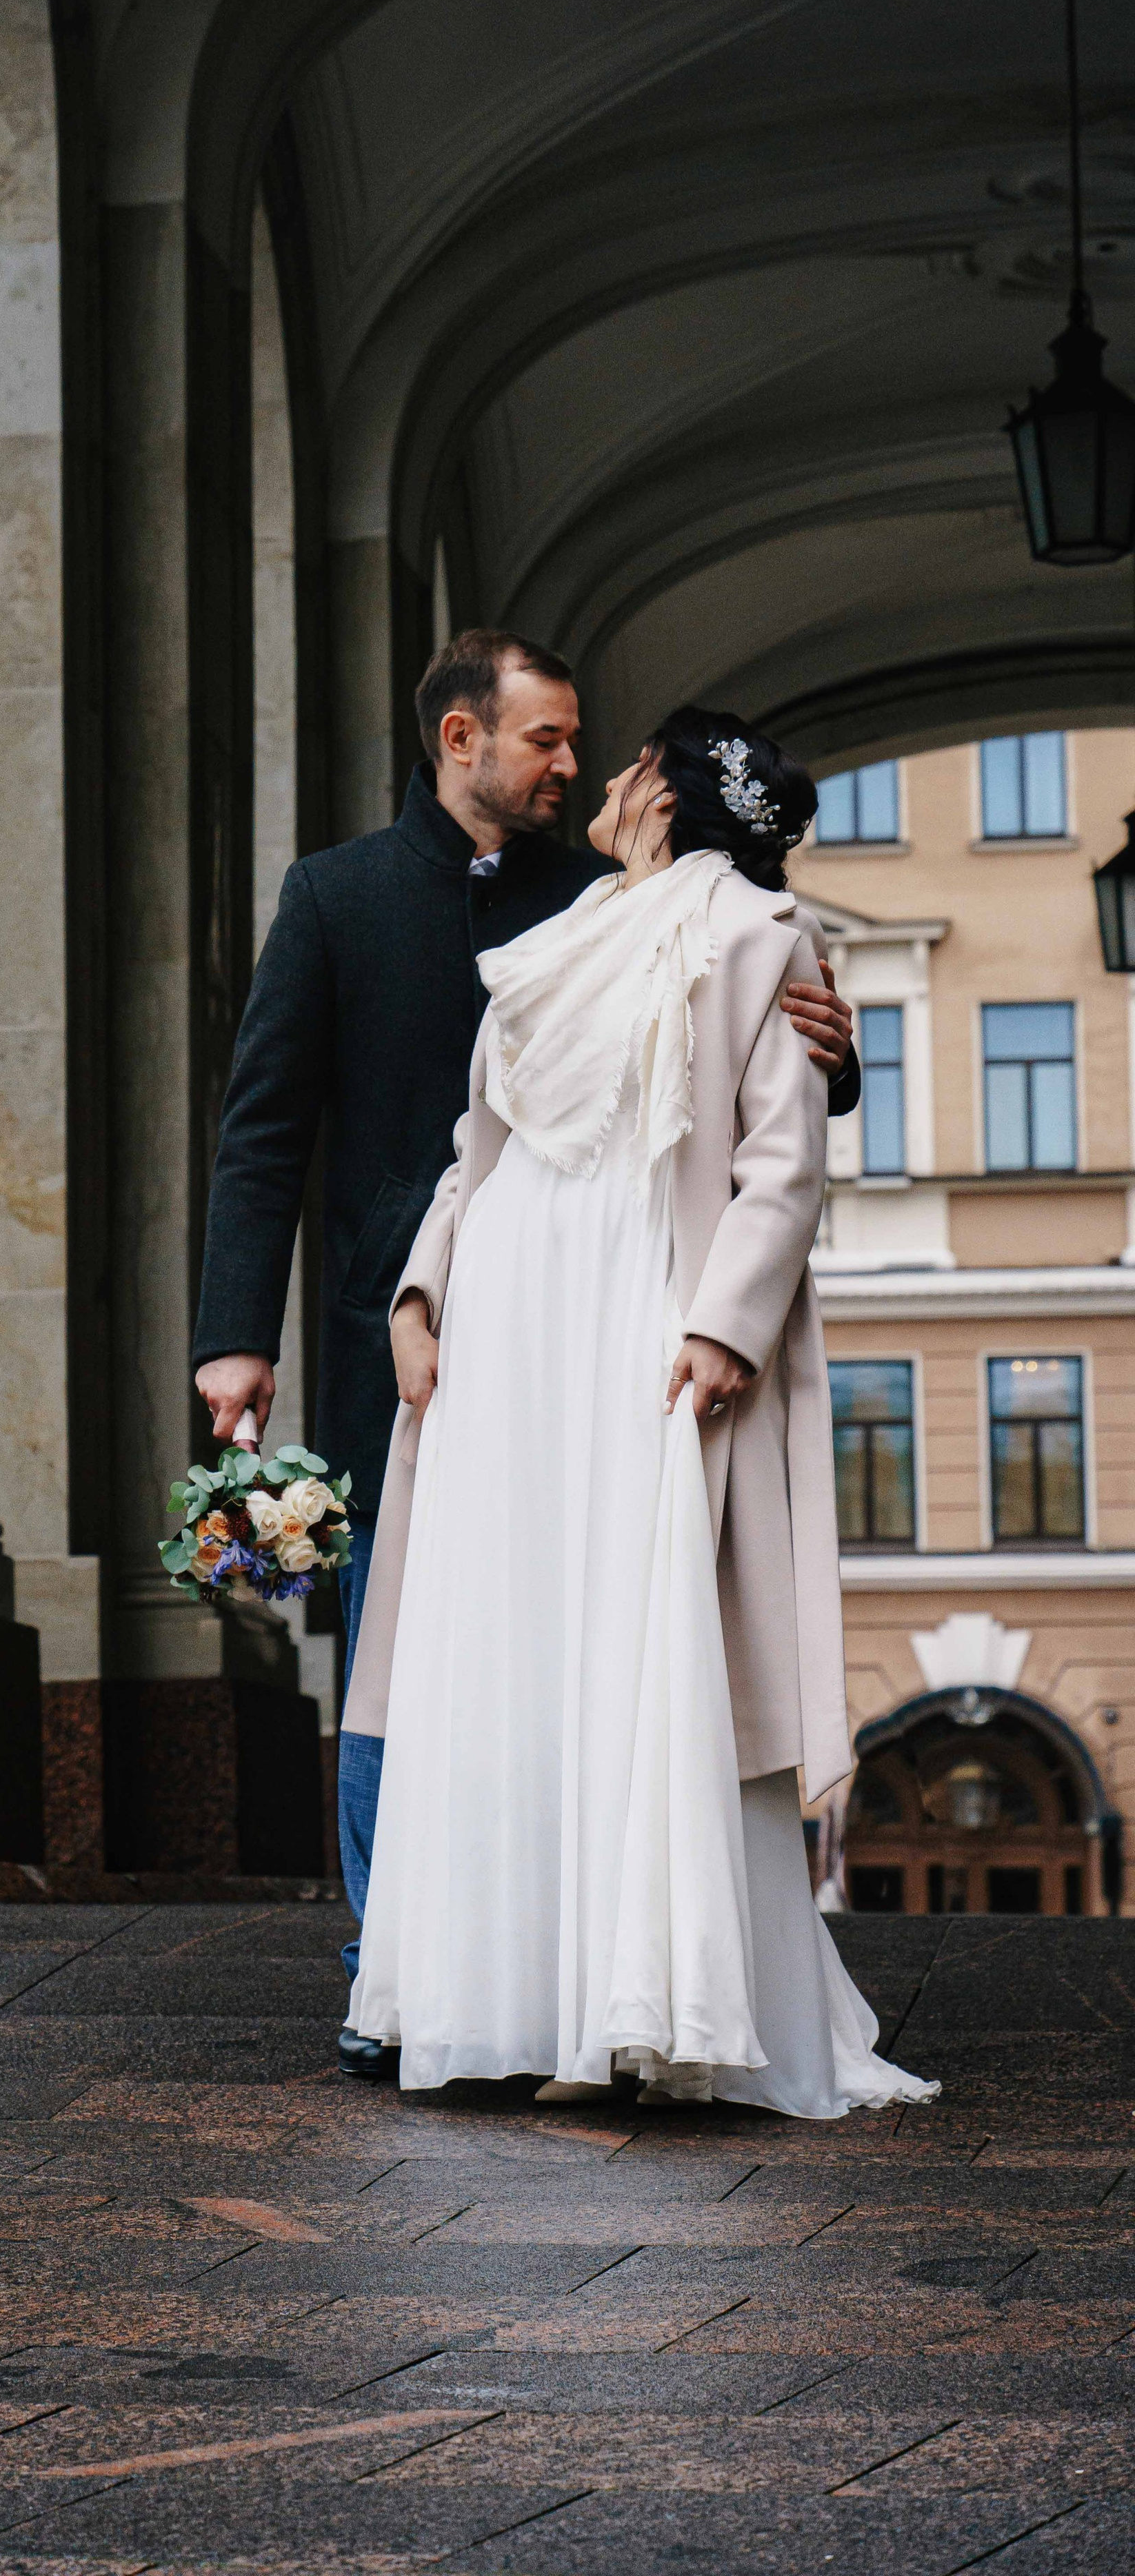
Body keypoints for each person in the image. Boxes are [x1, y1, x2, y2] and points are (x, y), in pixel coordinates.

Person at [191, 632, 860, 2071]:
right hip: (411, 1335)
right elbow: (263, 1128)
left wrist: (834, 1051)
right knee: (404, 1653)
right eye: (545, 739)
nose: (572, 763)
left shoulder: (613, 891)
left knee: (562, 1646)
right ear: (460, 738)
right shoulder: (335, 897)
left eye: (580, 744)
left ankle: (558, 1960)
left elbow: (746, 1073)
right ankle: (398, 1965)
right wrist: (236, 1337)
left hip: (604, 1333)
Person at [342, 709, 937, 2117]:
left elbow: (784, 1162)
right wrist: (420, 1294)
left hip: (637, 1322)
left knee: (639, 1639)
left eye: (625, 764)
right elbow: (476, 1149)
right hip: (507, 1340)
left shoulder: (760, 933)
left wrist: (723, 1323)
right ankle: (505, 2000)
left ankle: (643, 2004)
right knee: (513, 1645)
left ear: (664, 791)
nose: (602, 781)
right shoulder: (559, 933)